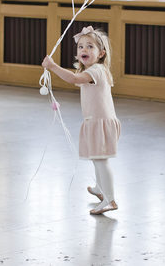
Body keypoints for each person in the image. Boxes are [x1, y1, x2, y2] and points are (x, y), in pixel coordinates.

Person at [42, 25, 121, 215]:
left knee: (101, 160)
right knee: (96, 157)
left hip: (100, 123)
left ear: (101, 53)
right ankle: (100, 189)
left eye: (90, 47)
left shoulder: (96, 71)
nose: (84, 50)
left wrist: (52, 66)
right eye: (81, 47)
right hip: (95, 121)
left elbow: (73, 79)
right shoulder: (93, 71)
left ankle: (110, 199)